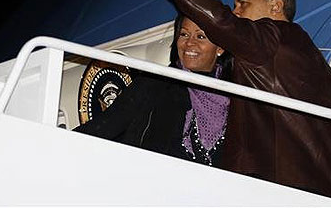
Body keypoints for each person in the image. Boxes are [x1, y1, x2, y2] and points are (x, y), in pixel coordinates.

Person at [138, 0, 331, 200]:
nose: (236, 12)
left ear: (275, 6)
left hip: (269, 192)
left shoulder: (269, 37)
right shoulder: (328, 78)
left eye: (243, 3)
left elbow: (219, 20)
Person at [74, 15, 232, 167]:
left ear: (220, 48)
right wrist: (57, 142)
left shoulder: (237, 98)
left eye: (200, 37)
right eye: (184, 34)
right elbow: (103, 127)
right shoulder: (154, 84)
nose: (189, 43)